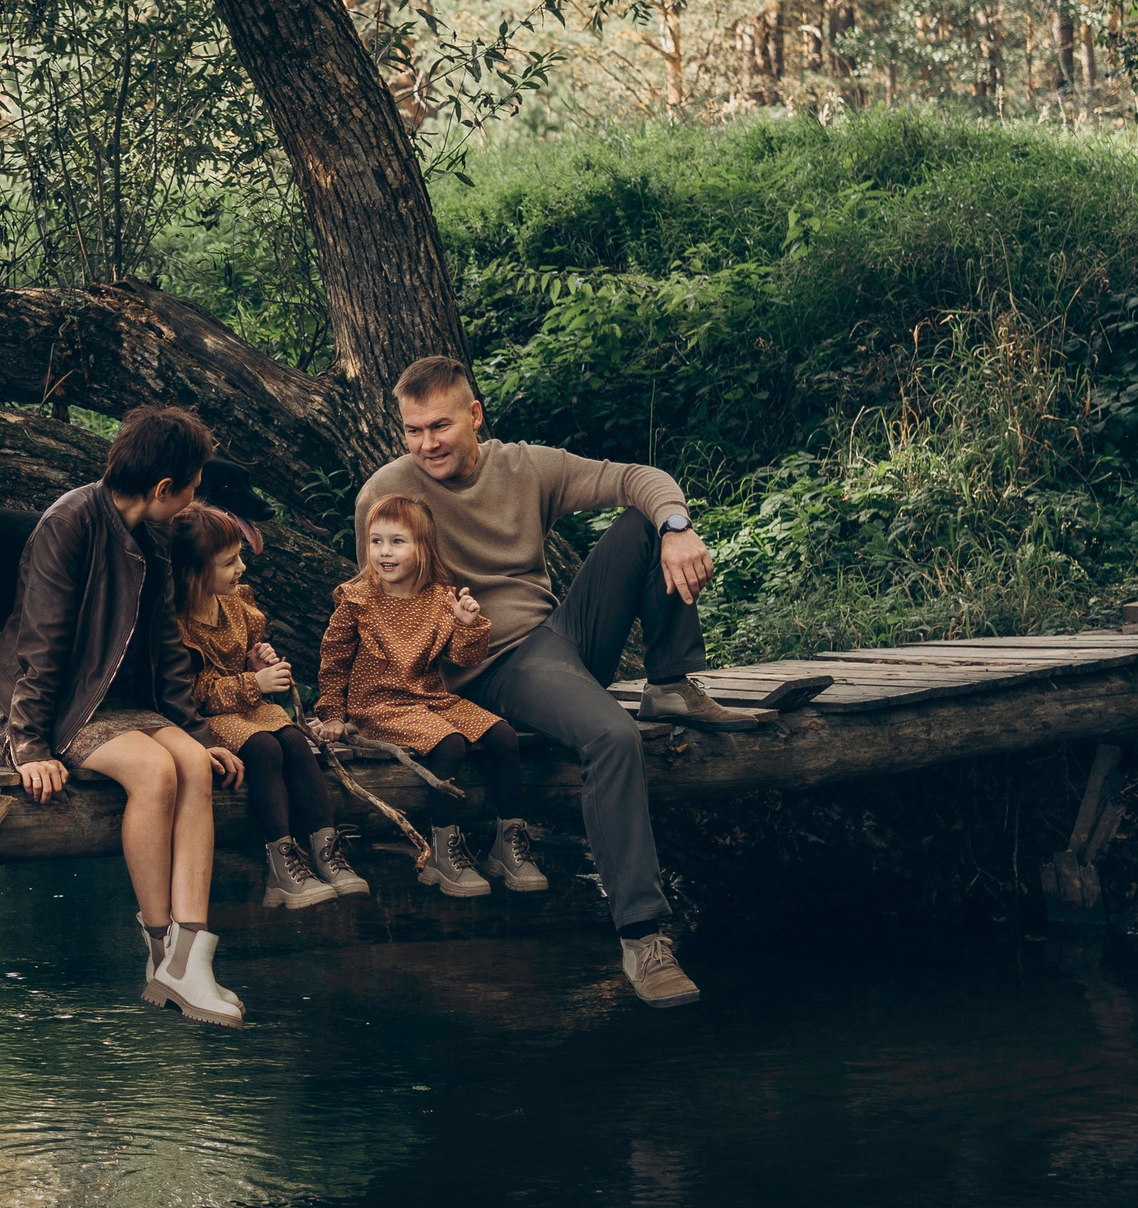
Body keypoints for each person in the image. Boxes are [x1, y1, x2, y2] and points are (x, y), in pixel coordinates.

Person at [353, 355, 761, 1007]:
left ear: (474, 416)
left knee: (643, 522)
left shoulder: (524, 466)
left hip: (557, 641)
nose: (426, 443)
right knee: (611, 733)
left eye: (439, 426)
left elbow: (637, 475)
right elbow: (384, 620)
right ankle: (642, 936)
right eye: (412, 430)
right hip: (491, 665)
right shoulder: (388, 494)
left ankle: (673, 680)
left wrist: (677, 526)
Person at [0, 405, 248, 1028]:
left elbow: (167, 646)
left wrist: (198, 734)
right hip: (37, 706)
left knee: (193, 768)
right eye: (192, 488)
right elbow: (41, 645)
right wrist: (30, 746)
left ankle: (188, 961)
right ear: (162, 489)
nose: (194, 499)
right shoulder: (67, 523)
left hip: (115, 704)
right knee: (155, 773)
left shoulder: (154, 536)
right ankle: (159, 950)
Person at [313, 495, 543, 899]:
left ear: (423, 547)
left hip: (431, 699)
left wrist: (467, 625)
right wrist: (333, 713)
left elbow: (463, 657)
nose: (385, 552)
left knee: (504, 736)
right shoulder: (357, 598)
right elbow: (334, 658)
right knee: (450, 742)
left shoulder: (441, 598)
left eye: (398, 541)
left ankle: (508, 842)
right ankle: (442, 850)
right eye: (376, 541)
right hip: (378, 705)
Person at [166, 502, 360, 911]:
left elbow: (237, 660)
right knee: (265, 749)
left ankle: (326, 850)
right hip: (205, 721)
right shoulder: (177, 624)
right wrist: (253, 682)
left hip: (248, 706)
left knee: (294, 742)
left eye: (238, 557)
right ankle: (282, 863)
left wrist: (254, 664)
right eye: (228, 562)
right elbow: (191, 694)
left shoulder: (236, 602)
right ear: (193, 572)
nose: (242, 569)